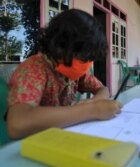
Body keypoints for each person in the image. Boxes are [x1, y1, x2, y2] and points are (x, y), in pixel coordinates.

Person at [7, 9, 122, 139]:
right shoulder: (33, 69)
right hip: (35, 142)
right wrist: (92, 110)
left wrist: (95, 101)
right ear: (59, 46)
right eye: (83, 58)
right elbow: (18, 123)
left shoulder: (75, 70)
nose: (87, 64)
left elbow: (103, 89)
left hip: (63, 136)